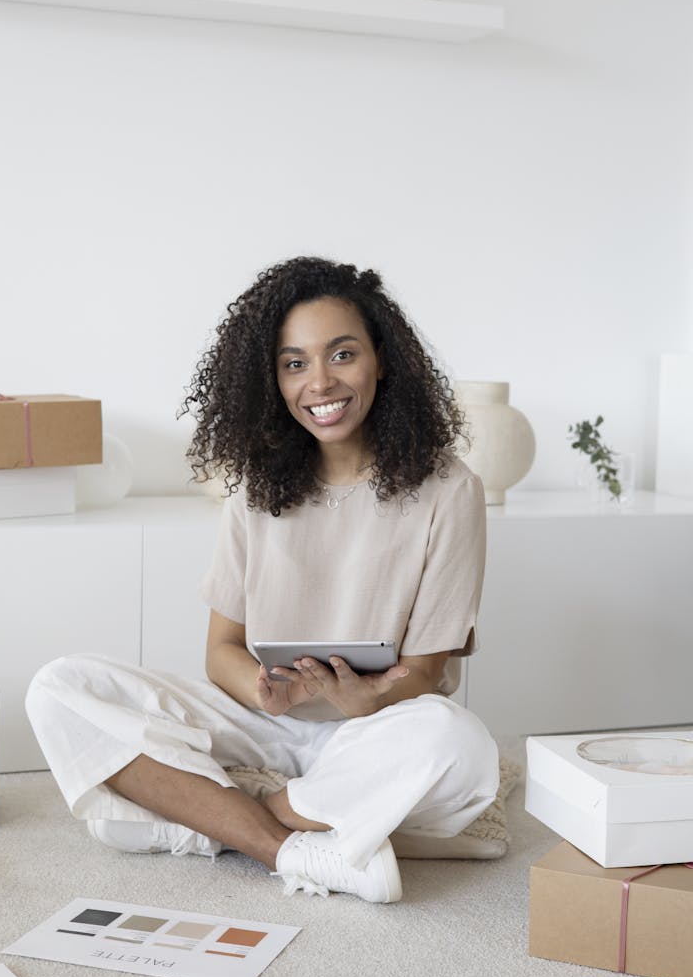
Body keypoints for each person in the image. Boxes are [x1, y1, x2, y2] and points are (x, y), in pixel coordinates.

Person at [26, 256, 499, 904]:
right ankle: (299, 845)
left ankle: (219, 814)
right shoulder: (256, 488)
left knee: (458, 742)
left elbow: (423, 670)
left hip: (373, 729)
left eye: (342, 354)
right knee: (60, 686)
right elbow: (221, 651)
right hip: (262, 721)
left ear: (382, 361)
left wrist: (363, 702)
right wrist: (262, 690)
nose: (319, 382)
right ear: (271, 379)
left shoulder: (449, 489)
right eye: (294, 363)